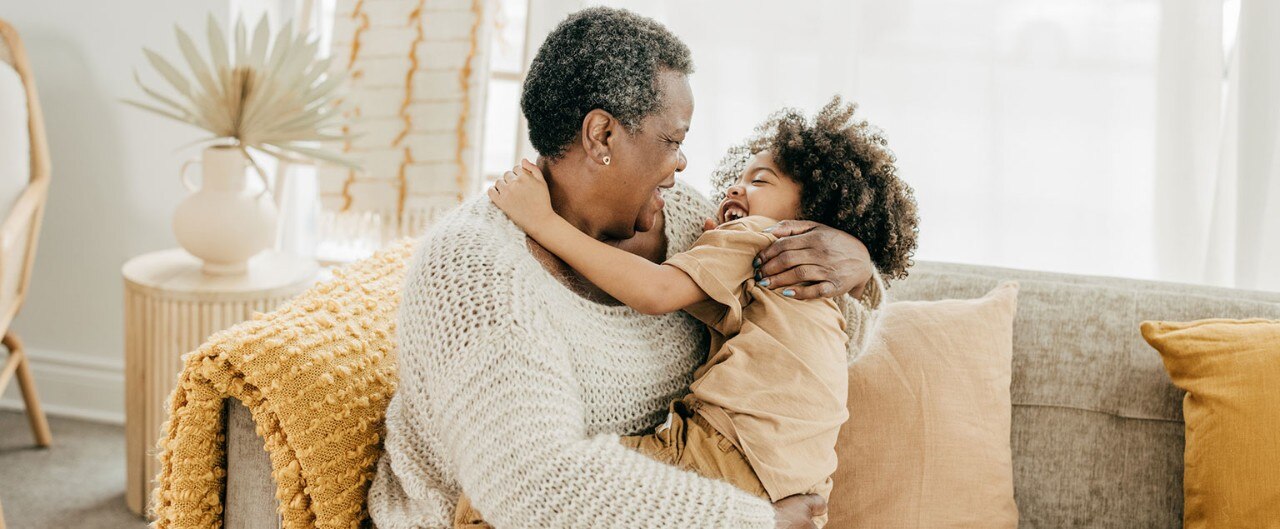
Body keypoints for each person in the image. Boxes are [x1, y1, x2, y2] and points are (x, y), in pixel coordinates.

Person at [368, 8, 886, 529]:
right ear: (602, 136)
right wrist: (755, 522)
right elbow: (535, 489)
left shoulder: (685, 217)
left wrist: (850, 266)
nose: (683, 164)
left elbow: (811, 347)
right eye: (673, 141)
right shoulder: (476, 275)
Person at [458, 97, 919, 529]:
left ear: (813, 215)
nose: (736, 185)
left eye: (760, 180)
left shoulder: (763, 234)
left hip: (724, 451)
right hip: (799, 483)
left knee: (500, 494)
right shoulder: (814, 286)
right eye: (740, 176)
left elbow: (655, 292)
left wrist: (541, 220)